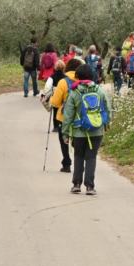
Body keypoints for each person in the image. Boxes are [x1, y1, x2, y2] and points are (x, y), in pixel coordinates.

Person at [62, 64, 111, 195]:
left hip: (79, 131)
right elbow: (107, 108)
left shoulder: (74, 92)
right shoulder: (99, 90)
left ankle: (76, 184)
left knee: (78, 156)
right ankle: (90, 186)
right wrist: (106, 124)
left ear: (77, 76)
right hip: (96, 130)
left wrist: (65, 133)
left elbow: (67, 115)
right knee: (91, 157)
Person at [48, 58, 82, 172]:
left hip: (64, 116)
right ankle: (79, 162)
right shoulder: (83, 81)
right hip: (80, 116)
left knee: (63, 139)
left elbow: (55, 102)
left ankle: (66, 163)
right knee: (78, 139)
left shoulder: (63, 82)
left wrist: (51, 98)